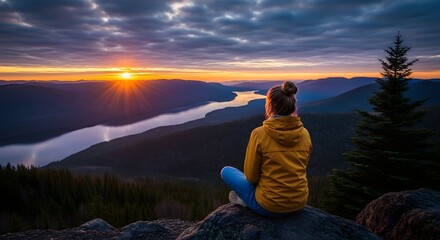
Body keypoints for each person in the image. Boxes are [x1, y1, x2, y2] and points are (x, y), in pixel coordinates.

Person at [221, 81, 312, 217]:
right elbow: (301, 167)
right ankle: (247, 198)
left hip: (269, 207)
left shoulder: (259, 134)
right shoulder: (305, 134)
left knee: (226, 171)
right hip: (299, 203)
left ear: (270, 106)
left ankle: (245, 200)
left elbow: (251, 177)